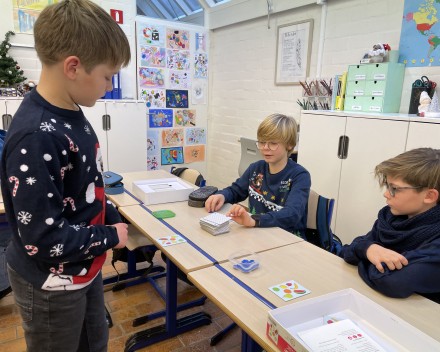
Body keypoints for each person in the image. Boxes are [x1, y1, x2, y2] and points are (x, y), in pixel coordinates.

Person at [0, 0, 131, 350]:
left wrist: (113, 217)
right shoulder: (37, 135)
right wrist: (108, 236)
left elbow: (84, 184)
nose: (108, 85)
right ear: (73, 67)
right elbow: (42, 238)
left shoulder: (70, 108)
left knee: (94, 342)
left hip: (81, 267)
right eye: (107, 76)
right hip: (49, 282)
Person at [340, 148, 440, 304]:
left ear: (429, 196)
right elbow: (346, 251)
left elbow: (392, 281)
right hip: (378, 302)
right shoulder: (391, 218)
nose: (386, 194)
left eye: (394, 189)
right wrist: (368, 249)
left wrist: (363, 251)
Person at [205, 113, 310, 238]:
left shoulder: (300, 175)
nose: (265, 148)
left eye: (273, 143)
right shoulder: (256, 168)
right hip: (257, 233)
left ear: (290, 144)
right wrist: (221, 195)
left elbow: (292, 214)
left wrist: (254, 220)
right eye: (262, 142)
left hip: (287, 239)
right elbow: (235, 191)